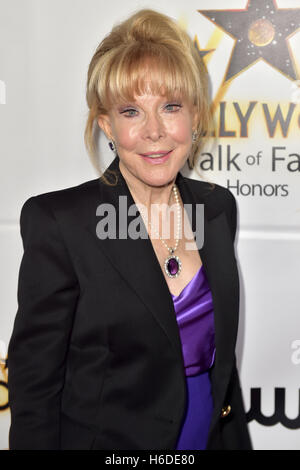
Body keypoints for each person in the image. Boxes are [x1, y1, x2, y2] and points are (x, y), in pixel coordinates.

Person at [7, 8, 252, 450]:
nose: (155, 131)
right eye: (131, 111)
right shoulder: (61, 224)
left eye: (171, 107)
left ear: (194, 117)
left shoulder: (217, 208)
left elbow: (222, 371)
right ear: (107, 125)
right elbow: (35, 392)